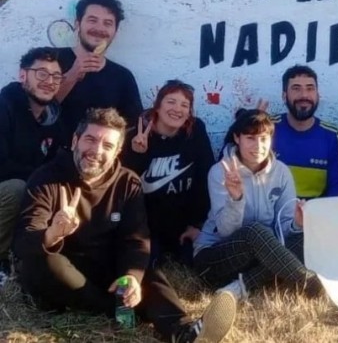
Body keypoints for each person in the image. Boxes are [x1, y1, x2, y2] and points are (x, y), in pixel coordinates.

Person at [14, 108, 235, 342]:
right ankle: (118, 308)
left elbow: (135, 238)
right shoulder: (46, 178)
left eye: (107, 146)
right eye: (90, 139)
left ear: (118, 151)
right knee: (46, 262)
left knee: (147, 274)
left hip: (104, 265)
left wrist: (131, 277)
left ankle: (184, 332)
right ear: (75, 140)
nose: (97, 151)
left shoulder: (127, 181)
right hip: (63, 265)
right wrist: (52, 233)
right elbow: (23, 241)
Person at [194, 109, 323, 302]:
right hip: (216, 258)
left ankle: (238, 288)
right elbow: (224, 231)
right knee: (255, 231)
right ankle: (307, 282)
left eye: (264, 138)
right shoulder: (220, 172)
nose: (258, 146)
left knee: (303, 237)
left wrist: (296, 223)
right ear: (237, 138)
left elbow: (283, 232)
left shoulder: (281, 172)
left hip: (261, 258)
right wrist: (236, 199)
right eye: (250, 138)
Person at [121, 80, 214, 267]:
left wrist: (197, 224)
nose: (177, 109)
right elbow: (123, 188)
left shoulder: (196, 132)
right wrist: (137, 155)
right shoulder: (137, 134)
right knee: (150, 265)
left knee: (193, 264)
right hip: (146, 225)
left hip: (181, 224)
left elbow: (205, 178)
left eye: (184, 105)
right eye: (171, 102)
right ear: (158, 106)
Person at [0, 47, 69, 283]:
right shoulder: (4, 106)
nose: (49, 81)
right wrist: (41, 180)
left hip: (28, 189)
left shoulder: (53, 116)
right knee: (17, 189)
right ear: (23, 76)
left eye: (56, 76)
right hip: (6, 190)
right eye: (41, 73)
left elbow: (59, 160)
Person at [56, 0, 143, 134]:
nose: (99, 29)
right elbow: (35, 109)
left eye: (108, 23)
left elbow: (131, 128)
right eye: (92, 20)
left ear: (115, 32)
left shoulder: (123, 77)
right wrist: (72, 75)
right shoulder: (50, 60)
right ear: (77, 24)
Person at [272, 65, 338, 199]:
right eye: (296, 88)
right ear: (284, 96)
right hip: (272, 216)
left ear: (318, 95)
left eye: (310, 88)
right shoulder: (267, 128)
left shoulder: (332, 136)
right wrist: (248, 124)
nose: (304, 95)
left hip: (315, 216)